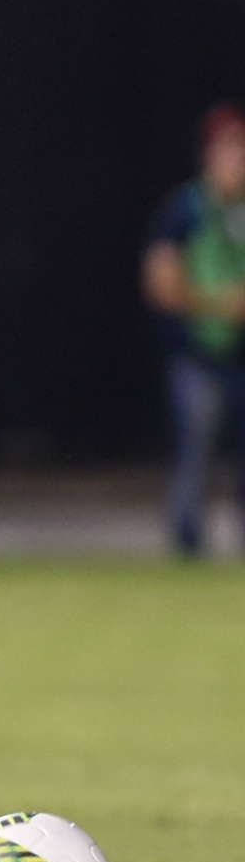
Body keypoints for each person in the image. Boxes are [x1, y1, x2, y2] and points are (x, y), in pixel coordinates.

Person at [142, 104, 245, 556]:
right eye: (230, 149)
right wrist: (220, 303)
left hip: (241, 358)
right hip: (198, 354)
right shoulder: (185, 209)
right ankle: (186, 543)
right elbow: (159, 282)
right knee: (196, 450)